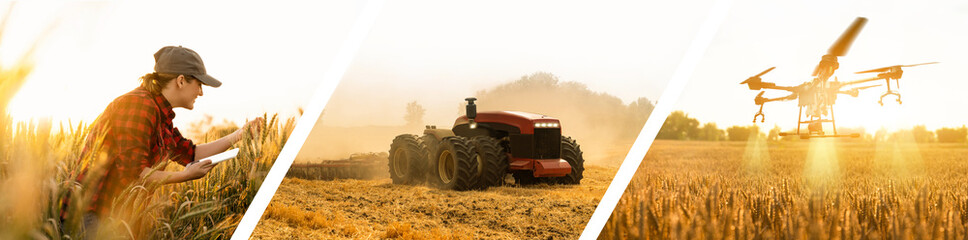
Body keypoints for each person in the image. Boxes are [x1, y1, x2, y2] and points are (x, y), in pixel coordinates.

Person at [66, 46, 263, 238]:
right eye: (199, 84)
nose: (201, 92)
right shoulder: (138, 105)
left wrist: (239, 135)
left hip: (114, 217)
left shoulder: (161, 115)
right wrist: (185, 176)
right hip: (91, 217)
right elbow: (135, 173)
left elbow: (191, 154)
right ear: (181, 81)